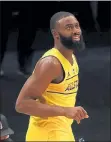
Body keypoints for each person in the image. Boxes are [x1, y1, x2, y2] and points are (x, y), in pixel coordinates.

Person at [15, 11, 89, 141]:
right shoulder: (50, 64)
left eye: (77, 26)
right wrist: (65, 111)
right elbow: (22, 104)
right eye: (68, 28)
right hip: (48, 133)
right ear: (56, 34)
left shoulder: (71, 57)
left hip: (62, 130)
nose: (76, 31)